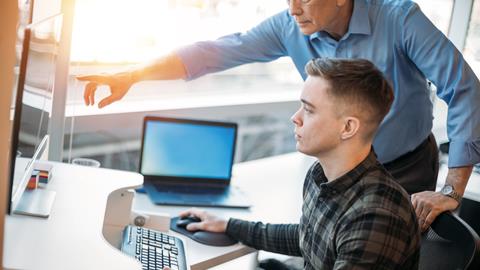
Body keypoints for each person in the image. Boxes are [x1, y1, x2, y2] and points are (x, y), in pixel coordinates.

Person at [77, 0, 480, 231]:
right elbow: (215, 52)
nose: (293, 8)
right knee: (319, 246)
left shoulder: (398, 17)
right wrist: (134, 74)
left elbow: (464, 89)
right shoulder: (291, 25)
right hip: (338, 170)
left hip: (404, 169)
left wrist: (450, 190)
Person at [177, 58, 420, 269]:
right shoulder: (320, 175)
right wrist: (229, 225)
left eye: (309, 110)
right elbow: (307, 237)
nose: (296, 118)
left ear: (347, 127)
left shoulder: (375, 216)